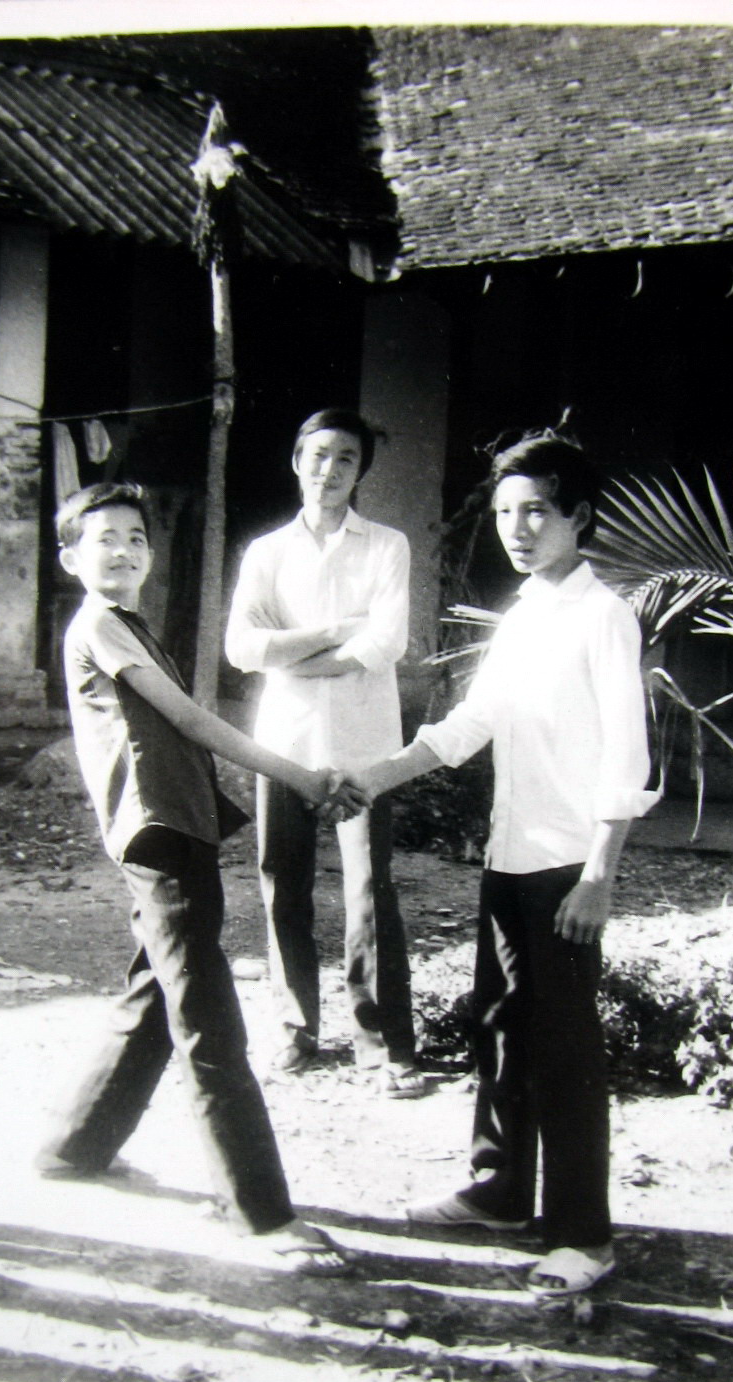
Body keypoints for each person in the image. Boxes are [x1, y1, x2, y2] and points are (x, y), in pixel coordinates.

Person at [343, 429, 658, 1296]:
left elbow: (626, 759)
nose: (517, 530)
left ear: (579, 517)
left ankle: (585, 1236)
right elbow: (468, 725)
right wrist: (371, 777)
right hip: (509, 856)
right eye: (507, 513)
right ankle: (502, 1190)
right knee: (498, 1024)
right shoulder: (523, 618)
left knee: (565, 1046)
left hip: (567, 868)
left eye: (537, 512)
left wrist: (599, 876)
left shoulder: (604, 617)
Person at [42, 481, 352, 1274]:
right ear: (70, 558)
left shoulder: (131, 626)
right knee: (208, 1017)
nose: (123, 550)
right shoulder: (100, 625)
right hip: (159, 835)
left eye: (135, 537)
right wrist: (301, 775)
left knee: (157, 991)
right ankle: (260, 1212)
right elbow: (189, 720)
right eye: (103, 538)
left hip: (177, 826)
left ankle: (74, 1146)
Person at [224, 409, 420, 1093]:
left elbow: (387, 642)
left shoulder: (387, 546)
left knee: (370, 887)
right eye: (318, 454)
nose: (329, 470)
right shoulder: (267, 553)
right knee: (284, 882)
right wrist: (338, 631)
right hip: (286, 742)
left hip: (367, 743)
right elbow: (242, 647)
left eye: (346, 459)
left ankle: (384, 1043)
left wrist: (290, 656)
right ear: (296, 460)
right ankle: (294, 1028)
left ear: (360, 471)